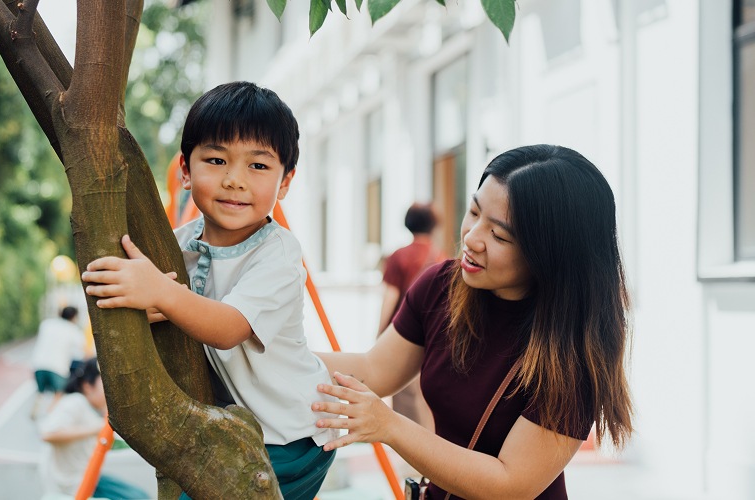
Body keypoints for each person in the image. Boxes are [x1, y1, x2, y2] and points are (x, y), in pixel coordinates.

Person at [312, 145, 634, 500]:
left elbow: (509, 485)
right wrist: (261, 350)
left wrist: (390, 427)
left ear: (550, 256)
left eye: (499, 235)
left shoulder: (572, 354)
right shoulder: (440, 287)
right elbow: (372, 369)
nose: (471, 237)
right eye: (474, 211)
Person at [81, 81, 338, 500]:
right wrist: (147, 298)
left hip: (292, 435)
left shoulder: (279, 254)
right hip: (236, 426)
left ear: (285, 182)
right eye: (217, 160)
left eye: (258, 166)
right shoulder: (179, 245)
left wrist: (161, 295)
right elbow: (158, 299)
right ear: (185, 170)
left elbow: (228, 328)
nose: (234, 180)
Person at [38, 358, 149, 499]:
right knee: (138, 498)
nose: (111, 388)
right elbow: (48, 433)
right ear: (87, 386)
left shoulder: (93, 410)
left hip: (89, 478)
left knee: (139, 496)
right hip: (72, 484)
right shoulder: (75, 402)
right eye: (105, 382)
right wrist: (95, 428)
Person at [378, 203, 446, 431]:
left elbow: (389, 296)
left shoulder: (399, 256)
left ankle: (412, 452)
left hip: (403, 334)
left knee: (404, 392)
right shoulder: (441, 256)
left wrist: (380, 333)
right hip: (435, 335)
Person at [30, 306, 86, 417]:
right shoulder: (73, 330)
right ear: (74, 317)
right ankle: (48, 414)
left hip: (38, 364)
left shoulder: (46, 324)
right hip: (58, 367)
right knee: (59, 392)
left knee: (41, 391)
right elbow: (84, 351)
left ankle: (36, 407)